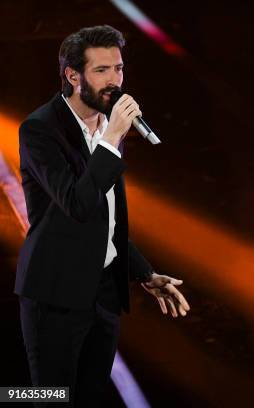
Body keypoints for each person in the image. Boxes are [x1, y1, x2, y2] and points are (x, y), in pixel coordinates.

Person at [15, 25, 191, 406]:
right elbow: (77, 206)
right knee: (50, 398)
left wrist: (144, 273)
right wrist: (111, 139)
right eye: (102, 70)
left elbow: (103, 218)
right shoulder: (40, 130)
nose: (115, 81)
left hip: (103, 294)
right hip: (55, 295)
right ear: (72, 75)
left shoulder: (107, 127)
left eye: (119, 69)